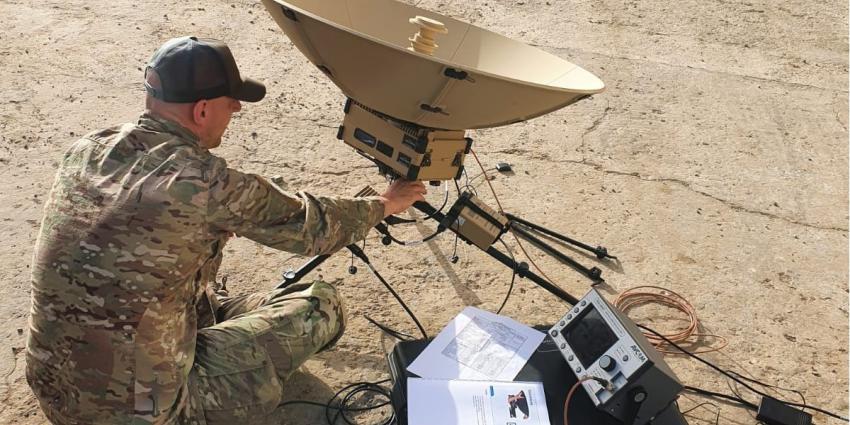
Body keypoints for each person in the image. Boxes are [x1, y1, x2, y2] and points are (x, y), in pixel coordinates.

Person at [25, 36, 427, 425]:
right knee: (320, 304)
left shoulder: (89, 149)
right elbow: (314, 227)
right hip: (148, 415)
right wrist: (387, 202)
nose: (236, 107)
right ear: (201, 111)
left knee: (191, 293)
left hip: (54, 389)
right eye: (230, 102)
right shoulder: (204, 183)